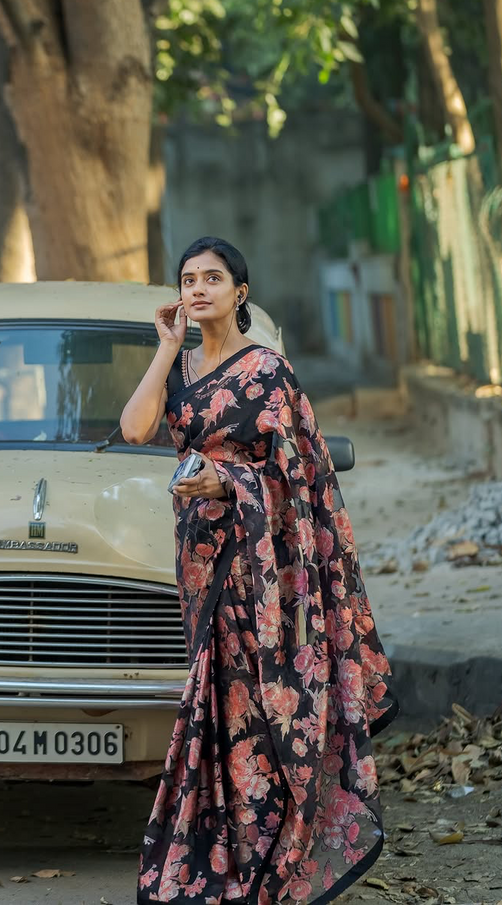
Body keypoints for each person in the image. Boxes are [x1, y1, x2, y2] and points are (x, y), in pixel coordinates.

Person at [121, 236, 398, 905]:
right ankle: (222, 850)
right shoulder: (181, 367)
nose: (198, 288)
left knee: (263, 701)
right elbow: (134, 429)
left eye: (212, 278)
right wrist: (165, 348)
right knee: (217, 703)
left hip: (261, 565)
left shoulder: (268, 370)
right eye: (188, 279)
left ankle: (276, 847)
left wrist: (228, 482)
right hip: (200, 561)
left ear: (239, 292)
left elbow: (299, 474)